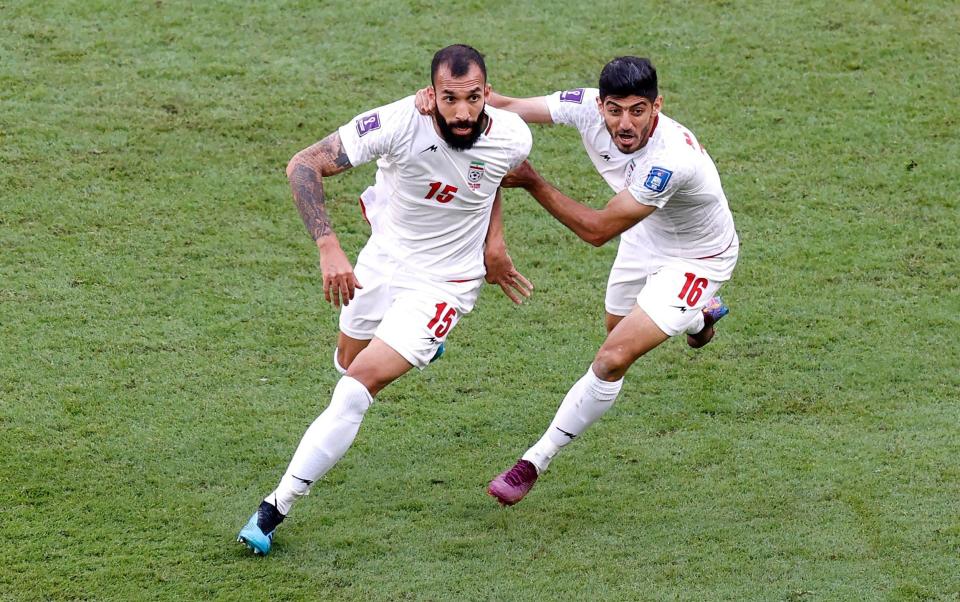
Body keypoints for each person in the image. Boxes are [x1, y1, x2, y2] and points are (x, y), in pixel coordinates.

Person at [237, 44, 533, 554]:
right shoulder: (398, 122)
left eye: (473, 98)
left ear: (487, 92)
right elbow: (302, 165)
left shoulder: (512, 135)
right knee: (345, 361)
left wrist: (494, 245)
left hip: (446, 285)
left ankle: (273, 509)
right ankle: (404, 338)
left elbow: (492, 178)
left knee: (354, 389)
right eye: (449, 98)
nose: (462, 112)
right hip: (381, 264)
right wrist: (329, 245)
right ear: (431, 93)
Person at [419, 56, 738, 505]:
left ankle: (534, 460)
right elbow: (505, 104)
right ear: (601, 104)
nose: (624, 124)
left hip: (697, 259)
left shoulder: (672, 160)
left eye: (637, 111)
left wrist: (533, 181)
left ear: (657, 107)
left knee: (612, 358)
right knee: (617, 328)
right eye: (614, 110)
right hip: (646, 235)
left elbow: (597, 230)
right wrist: (436, 105)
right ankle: (698, 316)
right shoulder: (584, 106)